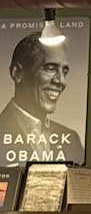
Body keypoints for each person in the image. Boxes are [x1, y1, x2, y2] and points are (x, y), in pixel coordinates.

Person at [0, 33, 84, 166]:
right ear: (17, 73)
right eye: (50, 69)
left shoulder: (71, 140)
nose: (61, 81)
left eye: (64, 72)